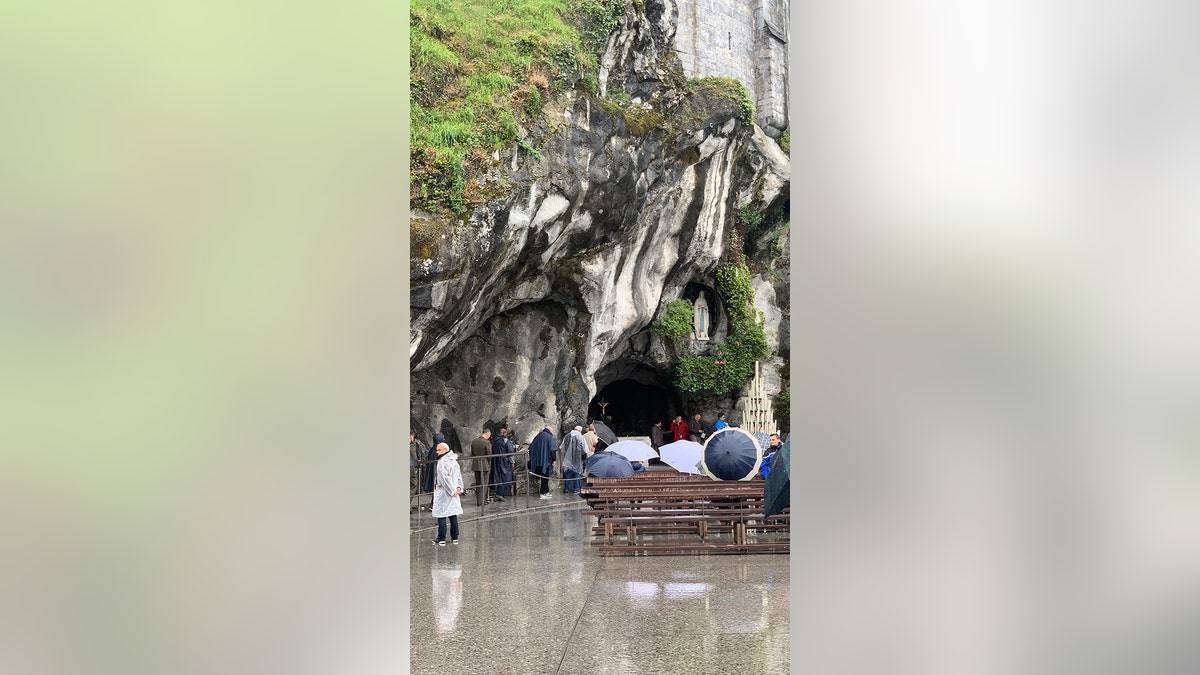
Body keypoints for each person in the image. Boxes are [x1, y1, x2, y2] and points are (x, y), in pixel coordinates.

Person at [431, 442, 464, 545]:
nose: (437, 452)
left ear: (445, 450)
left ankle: (441, 538)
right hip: (453, 490)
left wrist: (452, 490)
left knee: (442, 514)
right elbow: (459, 476)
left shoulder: (442, 462)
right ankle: (455, 537)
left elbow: (444, 478)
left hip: (445, 491)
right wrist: (459, 487)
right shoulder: (454, 461)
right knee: (452, 514)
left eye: (439, 450)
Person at [528, 425, 557, 499]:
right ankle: (543, 493)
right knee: (545, 477)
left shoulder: (538, 436)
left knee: (542, 476)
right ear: (550, 430)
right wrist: (554, 460)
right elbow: (552, 450)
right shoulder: (549, 437)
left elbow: (531, 448)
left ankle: (546, 491)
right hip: (545, 461)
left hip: (537, 461)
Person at [488, 426, 515, 501]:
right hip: (504, 462)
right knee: (506, 477)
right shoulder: (505, 441)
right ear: (504, 433)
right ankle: (499, 493)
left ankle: (500, 494)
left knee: (499, 477)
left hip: (495, 461)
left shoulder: (495, 441)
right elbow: (510, 452)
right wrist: (512, 462)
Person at [559, 425, 588, 495]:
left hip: (568, 459)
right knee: (577, 473)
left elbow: (562, 447)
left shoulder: (567, 436)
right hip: (577, 459)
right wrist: (584, 457)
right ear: (579, 430)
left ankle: (566, 488)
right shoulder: (580, 437)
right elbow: (584, 449)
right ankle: (576, 488)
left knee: (568, 473)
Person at [470, 427, 492, 506]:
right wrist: (489, 462)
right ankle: (482, 501)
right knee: (484, 484)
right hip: (484, 465)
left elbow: (472, 453)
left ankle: (479, 500)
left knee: (478, 483)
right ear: (487, 434)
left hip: (475, 464)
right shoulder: (486, 442)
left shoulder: (474, 441)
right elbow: (489, 454)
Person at [410, 431, 427, 508]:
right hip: (411, 468)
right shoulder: (411, 446)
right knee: (414, 485)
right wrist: (418, 462)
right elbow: (414, 457)